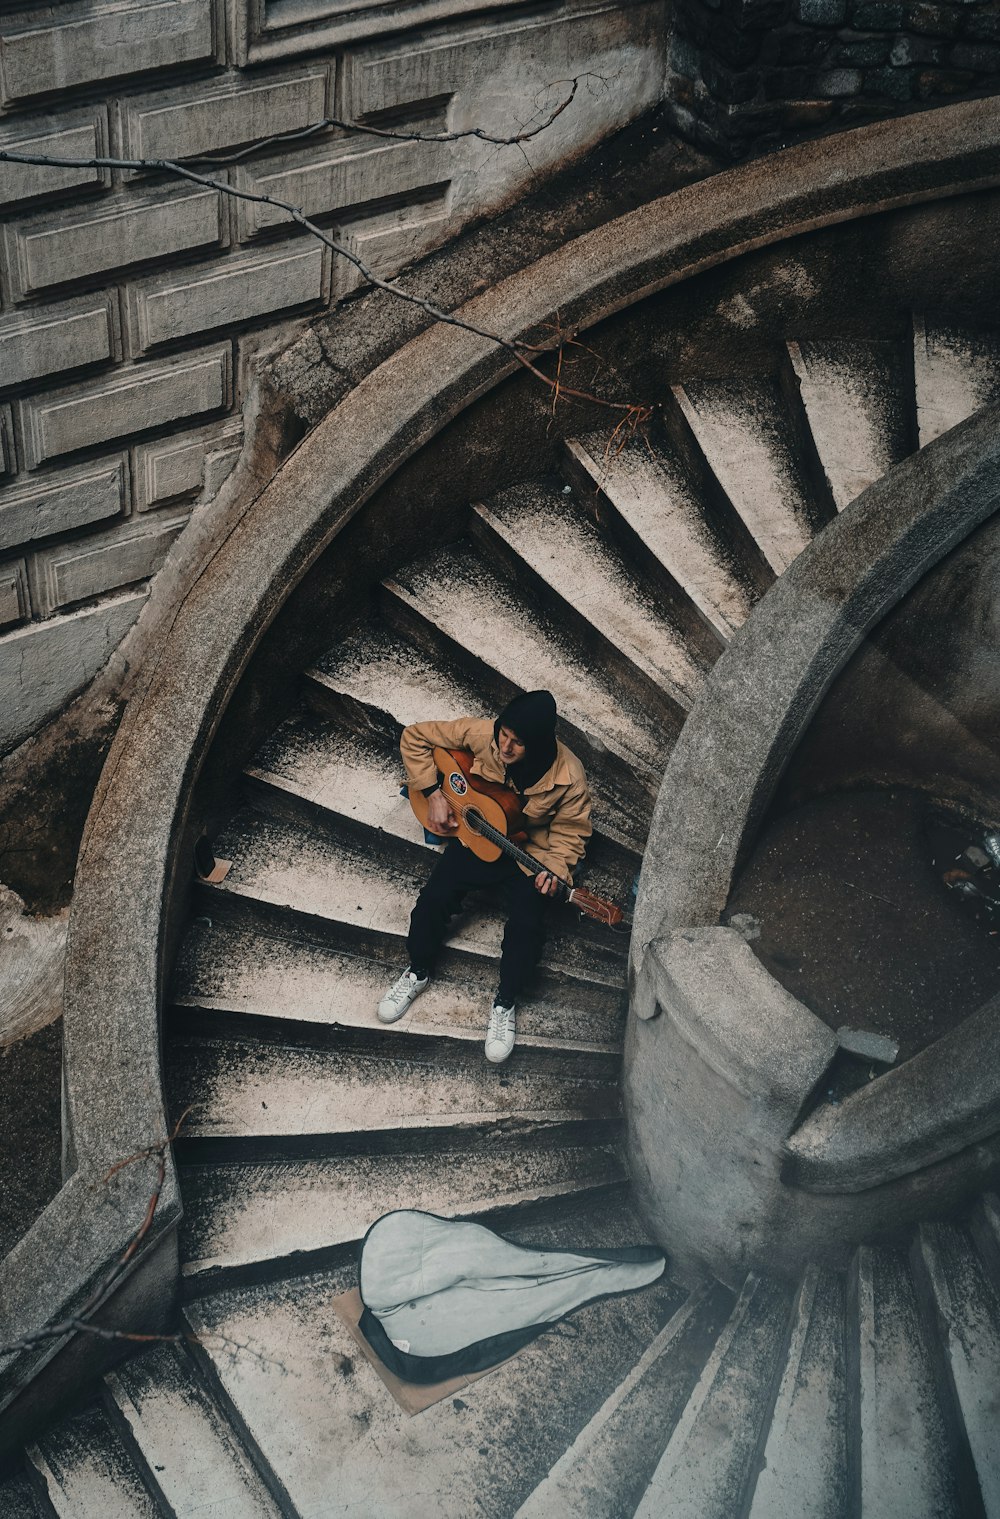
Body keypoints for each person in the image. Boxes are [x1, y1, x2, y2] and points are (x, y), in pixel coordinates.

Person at [376, 690, 593, 1063]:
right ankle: (417, 971)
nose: (505, 747)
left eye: (517, 742)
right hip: (478, 836)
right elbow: (414, 736)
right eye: (503, 735)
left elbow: (571, 833)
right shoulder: (483, 734)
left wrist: (556, 872)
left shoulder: (569, 777)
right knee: (432, 900)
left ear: (538, 744)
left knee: (527, 928)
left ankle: (505, 1002)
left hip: (527, 852)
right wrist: (434, 792)